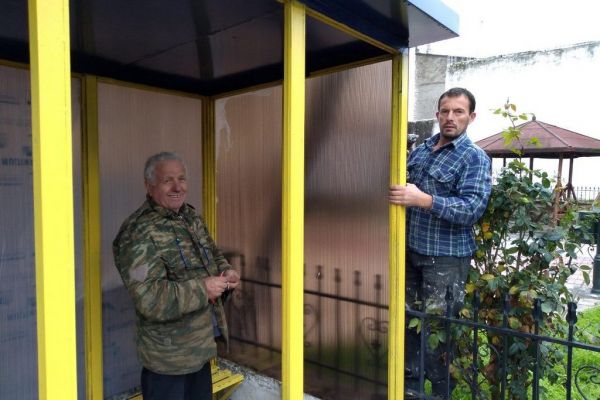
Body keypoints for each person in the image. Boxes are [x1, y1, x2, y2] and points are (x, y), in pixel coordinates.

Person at [389, 88, 491, 398]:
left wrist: (425, 200)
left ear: (471, 117)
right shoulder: (421, 150)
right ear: (437, 115)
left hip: (445, 259)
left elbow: (472, 209)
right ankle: (410, 389)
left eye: (458, 112)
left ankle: (441, 392)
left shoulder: (474, 157)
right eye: (445, 111)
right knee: (407, 324)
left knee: (437, 331)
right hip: (410, 252)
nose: (450, 117)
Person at [113, 151, 240, 400]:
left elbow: (212, 253)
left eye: (181, 179)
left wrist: (226, 271)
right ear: (149, 185)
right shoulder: (138, 231)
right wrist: (202, 289)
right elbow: (148, 298)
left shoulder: (190, 217)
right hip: (168, 362)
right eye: (167, 180)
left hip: (200, 351)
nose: (177, 187)